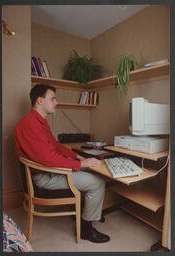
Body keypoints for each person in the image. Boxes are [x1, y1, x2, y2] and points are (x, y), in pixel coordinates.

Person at [15, 84, 110, 243]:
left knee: (92, 171)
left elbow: (56, 146)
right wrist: (81, 164)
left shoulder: (40, 122)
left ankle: (85, 213)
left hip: (48, 171)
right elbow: (49, 159)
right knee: (98, 183)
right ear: (40, 101)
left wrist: (78, 157)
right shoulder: (30, 125)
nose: (56, 102)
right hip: (43, 177)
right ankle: (86, 230)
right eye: (52, 99)